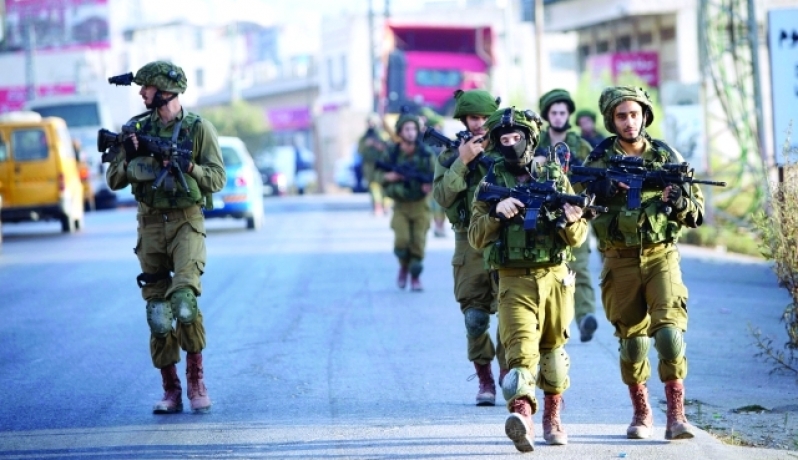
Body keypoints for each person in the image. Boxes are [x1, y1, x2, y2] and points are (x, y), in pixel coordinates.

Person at [581, 86, 702, 441]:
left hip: (661, 254)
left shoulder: (666, 157)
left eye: (634, 114)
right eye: (622, 116)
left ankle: (676, 415)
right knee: (633, 344)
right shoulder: (597, 161)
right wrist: (601, 193)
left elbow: (696, 214)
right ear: (611, 120)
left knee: (669, 335)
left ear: (644, 116)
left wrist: (678, 201)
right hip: (619, 259)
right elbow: (572, 209)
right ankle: (641, 411)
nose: (629, 122)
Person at [105, 61, 226, 414]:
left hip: (187, 222)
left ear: (165, 91)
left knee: (184, 302)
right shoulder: (135, 129)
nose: (142, 93)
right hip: (150, 225)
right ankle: (171, 390)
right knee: (158, 312)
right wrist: (131, 158)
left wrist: (189, 167)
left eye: (146, 87)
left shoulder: (199, 129)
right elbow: (113, 180)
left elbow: (217, 179)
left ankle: (196, 381)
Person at [469, 107, 588, 452]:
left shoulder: (553, 175)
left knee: (553, 357)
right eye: (504, 139)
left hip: (555, 278)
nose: (511, 144)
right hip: (513, 279)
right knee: (520, 358)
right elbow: (475, 237)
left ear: (530, 138)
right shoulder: (490, 183)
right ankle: (523, 418)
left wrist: (571, 220)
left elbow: (578, 237)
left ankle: (553, 418)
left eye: (516, 137)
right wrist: (496, 214)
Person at [432, 89, 506, 406]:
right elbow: (442, 197)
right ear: (464, 120)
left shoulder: (508, 149)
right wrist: (462, 162)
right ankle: (485, 378)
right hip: (467, 241)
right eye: (473, 118)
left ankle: (509, 371)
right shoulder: (450, 156)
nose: (479, 124)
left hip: (503, 238)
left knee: (512, 314)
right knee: (474, 318)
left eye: (484, 118)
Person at [537, 89, 599, 342]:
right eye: (554, 112)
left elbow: (595, 181)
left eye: (563, 112)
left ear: (569, 115)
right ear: (547, 115)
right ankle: (546, 324)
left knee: (579, 268)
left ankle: (585, 317)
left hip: (574, 215)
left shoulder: (581, 146)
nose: (559, 117)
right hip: (542, 217)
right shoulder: (535, 143)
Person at [378, 112, 436, 291]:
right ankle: (403, 266)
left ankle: (415, 276)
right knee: (401, 242)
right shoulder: (392, 152)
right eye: (407, 129)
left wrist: (429, 186)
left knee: (418, 243)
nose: (411, 132)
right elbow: (378, 174)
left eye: (413, 129)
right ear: (400, 132)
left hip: (421, 205)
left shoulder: (425, 153)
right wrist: (390, 176)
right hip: (400, 205)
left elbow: (437, 176)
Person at [357, 114, 390, 215]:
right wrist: (367, 144)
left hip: (382, 165)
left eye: (372, 122)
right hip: (369, 165)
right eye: (369, 122)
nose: (370, 125)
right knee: (373, 186)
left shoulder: (383, 135)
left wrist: (376, 144)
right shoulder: (364, 137)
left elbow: (388, 149)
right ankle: (377, 207)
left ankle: (386, 206)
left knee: (384, 185)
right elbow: (359, 151)